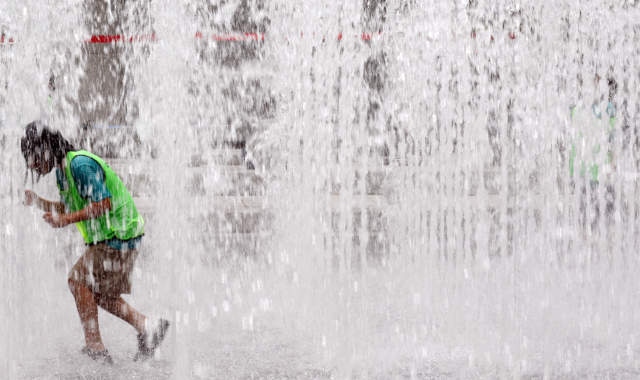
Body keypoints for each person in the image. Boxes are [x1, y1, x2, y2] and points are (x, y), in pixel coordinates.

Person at [20, 121, 169, 364]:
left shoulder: (79, 165)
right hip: (113, 236)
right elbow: (69, 207)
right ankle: (148, 327)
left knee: (77, 281)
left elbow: (104, 204)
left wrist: (67, 220)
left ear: (46, 148)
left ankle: (96, 348)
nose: (32, 165)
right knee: (99, 294)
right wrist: (39, 202)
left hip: (119, 234)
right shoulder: (63, 172)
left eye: (33, 158)